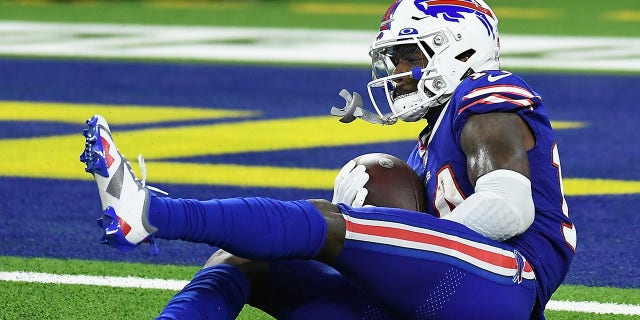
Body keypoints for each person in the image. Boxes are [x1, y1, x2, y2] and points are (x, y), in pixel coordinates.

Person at [80, 0, 576, 319]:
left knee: (326, 223)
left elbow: (509, 207)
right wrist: (391, 252)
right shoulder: (428, 141)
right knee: (248, 258)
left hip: (505, 284)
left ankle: (150, 214)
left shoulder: (488, 92)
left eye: (410, 57)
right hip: (441, 292)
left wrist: (385, 241)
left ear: (458, 52)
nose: (399, 72)